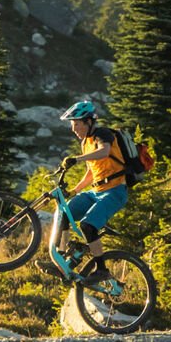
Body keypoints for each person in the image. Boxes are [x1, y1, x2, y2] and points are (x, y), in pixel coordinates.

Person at [56, 99, 131, 274]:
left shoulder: (102, 134)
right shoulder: (85, 143)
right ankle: (61, 258)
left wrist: (77, 159)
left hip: (115, 191)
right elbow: (91, 173)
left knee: (88, 226)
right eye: (72, 125)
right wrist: (75, 191)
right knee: (64, 213)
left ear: (88, 122)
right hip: (95, 191)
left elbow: (104, 151)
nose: (73, 129)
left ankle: (102, 270)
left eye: (76, 124)